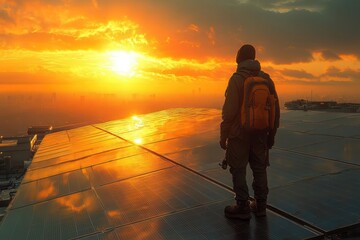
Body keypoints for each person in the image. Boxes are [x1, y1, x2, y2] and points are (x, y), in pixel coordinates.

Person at [220, 44, 280, 220]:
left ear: (238, 58)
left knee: (238, 170)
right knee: (260, 169)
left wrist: (223, 136)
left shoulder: (236, 79)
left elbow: (229, 112)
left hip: (239, 134)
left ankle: (242, 207)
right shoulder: (266, 79)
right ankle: (260, 206)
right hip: (261, 133)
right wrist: (272, 135)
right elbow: (275, 110)